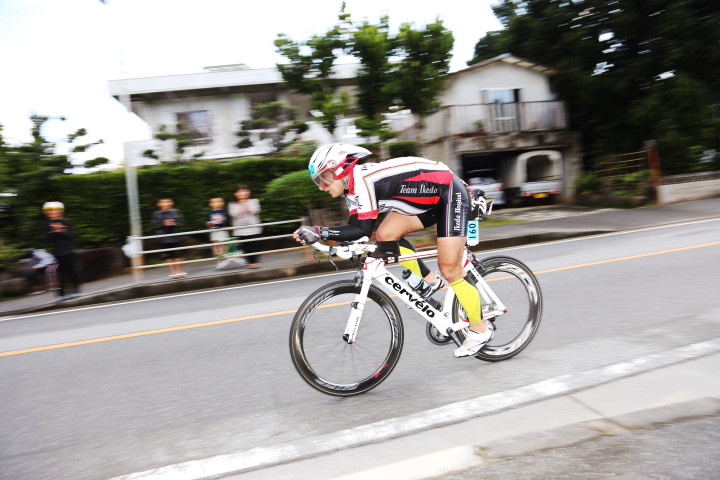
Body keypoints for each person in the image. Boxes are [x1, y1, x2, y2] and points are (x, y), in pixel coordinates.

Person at [293, 143, 493, 358]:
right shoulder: (351, 189)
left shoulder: (363, 182)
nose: (321, 186)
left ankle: (480, 329)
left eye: (324, 178)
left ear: (341, 169)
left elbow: (360, 231)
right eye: (318, 181)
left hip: (449, 192)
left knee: (450, 269)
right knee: (385, 235)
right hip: (425, 200)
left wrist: (319, 231)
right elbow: (355, 230)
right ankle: (429, 280)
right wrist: (325, 238)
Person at [42, 201, 81, 301]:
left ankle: (76, 291)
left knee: (72, 273)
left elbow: (71, 235)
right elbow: (47, 239)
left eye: (52, 210)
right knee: (59, 275)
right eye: (48, 211)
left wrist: (62, 231)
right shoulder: (47, 224)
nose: (50, 213)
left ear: (59, 211)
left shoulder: (66, 222)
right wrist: (53, 231)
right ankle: (61, 295)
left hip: (68, 252)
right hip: (57, 254)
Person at [151, 196, 186, 279]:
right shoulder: (156, 214)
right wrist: (163, 224)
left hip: (176, 235)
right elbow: (154, 225)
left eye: (167, 201)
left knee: (178, 254)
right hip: (163, 237)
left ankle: (179, 270)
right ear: (158, 204)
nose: (165, 204)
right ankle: (172, 272)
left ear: (172, 203)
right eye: (163, 202)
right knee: (168, 255)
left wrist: (174, 224)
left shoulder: (176, 212)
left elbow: (181, 222)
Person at [229, 185, 262, 269]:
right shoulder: (232, 204)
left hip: (254, 228)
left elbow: (255, 210)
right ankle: (249, 263)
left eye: (244, 191)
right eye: (239, 192)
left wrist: (244, 205)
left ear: (248, 192)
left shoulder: (254, 201)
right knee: (245, 246)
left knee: (254, 245)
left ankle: (255, 262)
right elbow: (234, 214)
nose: (242, 193)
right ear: (235, 194)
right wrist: (243, 206)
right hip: (240, 230)